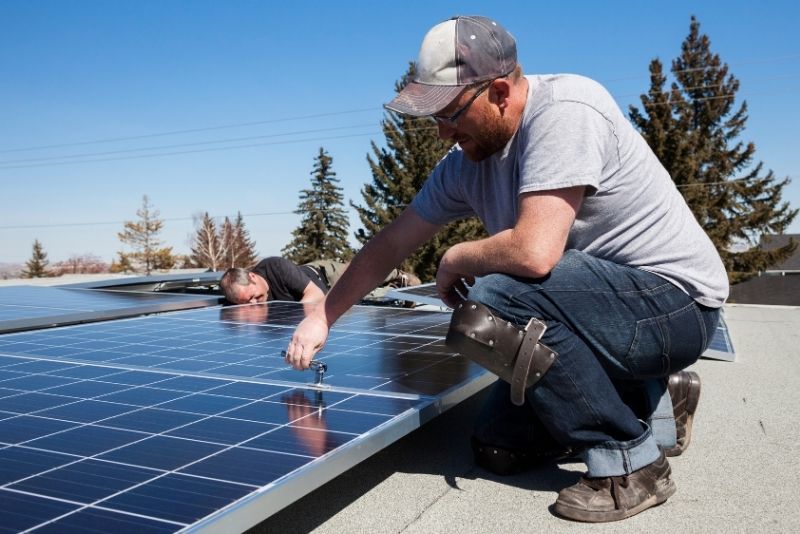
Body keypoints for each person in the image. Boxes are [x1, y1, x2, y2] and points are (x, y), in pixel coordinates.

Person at [283, 15, 728, 523]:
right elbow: (391, 242)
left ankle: (633, 464)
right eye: (434, 119)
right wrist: (323, 316)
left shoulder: (566, 110)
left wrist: (454, 258)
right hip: (600, 317)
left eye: (450, 113)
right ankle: (655, 395)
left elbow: (535, 254)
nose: (443, 133)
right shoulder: (464, 164)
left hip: (674, 307)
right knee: (498, 446)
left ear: (497, 91)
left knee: (497, 296)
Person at [220, 256, 420, 305]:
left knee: (362, 272)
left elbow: (315, 295)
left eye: (254, 297)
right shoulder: (239, 296)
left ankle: (399, 276)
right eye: (246, 303)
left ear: (253, 277)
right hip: (321, 293)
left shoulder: (276, 267)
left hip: (324, 277)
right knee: (365, 299)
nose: (253, 304)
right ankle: (398, 290)